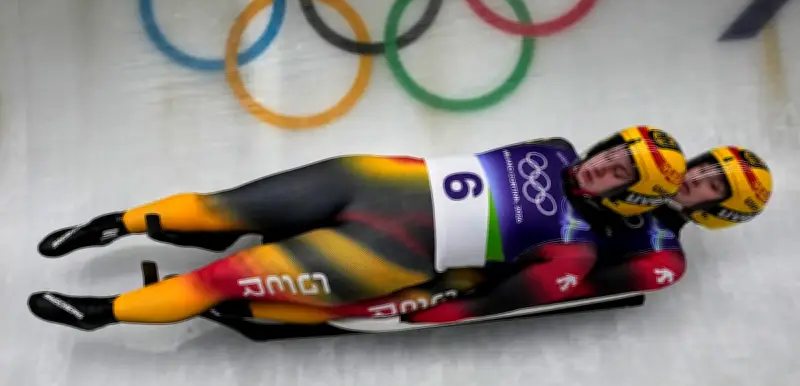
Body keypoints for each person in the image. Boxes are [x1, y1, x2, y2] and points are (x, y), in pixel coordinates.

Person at [27, 125, 687, 332]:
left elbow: (485, 302)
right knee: (218, 205)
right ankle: (114, 224)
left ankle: (103, 312)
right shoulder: (555, 147)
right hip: (372, 179)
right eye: (612, 152)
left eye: (620, 171)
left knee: (220, 279)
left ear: (634, 195)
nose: (602, 165)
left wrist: (405, 309)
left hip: (386, 251)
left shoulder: (575, 247)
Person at [196, 145, 773, 329]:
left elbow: (570, 290)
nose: (696, 178)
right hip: (485, 219)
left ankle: (246, 301)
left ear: (719, 209)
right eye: (704, 168)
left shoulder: (663, 260)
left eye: (712, 185)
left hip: (495, 265)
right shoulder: (640, 170)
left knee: (380, 296)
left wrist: (467, 307)